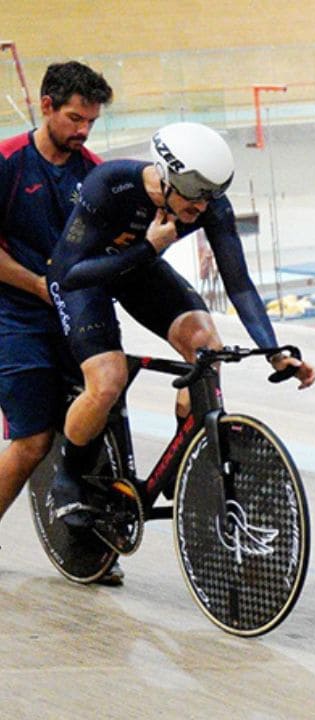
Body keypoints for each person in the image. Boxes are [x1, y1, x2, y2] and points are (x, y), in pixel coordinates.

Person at [46, 121, 315, 530]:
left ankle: (184, 455)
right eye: (193, 200)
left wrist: (274, 350)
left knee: (207, 347)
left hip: (139, 267)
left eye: (211, 200)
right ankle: (67, 478)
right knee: (107, 380)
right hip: (86, 276)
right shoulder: (110, 184)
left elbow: (239, 285)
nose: (202, 211)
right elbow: (68, 274)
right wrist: (147, 247)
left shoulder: (208, 202)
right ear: (166, 177)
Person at [0, 62, 117, 579]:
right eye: (74, 118)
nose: (83, 131)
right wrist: (46, 290)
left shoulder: (91, 170)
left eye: (90, 121)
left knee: (94, 426)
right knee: (32, 442)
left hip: (72, 312)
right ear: (45, 106)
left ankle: (91, 549)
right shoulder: (7, 163)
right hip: (14, 316)